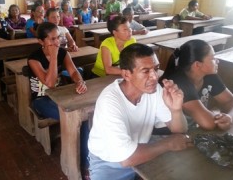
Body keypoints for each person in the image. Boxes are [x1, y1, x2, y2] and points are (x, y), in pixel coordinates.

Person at [88, 43, 190, 180]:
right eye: (146, 71)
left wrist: (176, 110)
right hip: (110, 163)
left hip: (142, 150)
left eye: (156, 68)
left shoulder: (153, 90)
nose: (155, 77)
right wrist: (168, 144)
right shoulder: (110, 101)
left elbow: (179, 130)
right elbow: (126, 159)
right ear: (126, 74)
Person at [27, 22, 90, 176]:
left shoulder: (63, 52)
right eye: (52, 39)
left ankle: (86, 160)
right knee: (75, 118)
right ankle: (79, 163)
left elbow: (74, 71)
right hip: (42, 100)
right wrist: (54, 57)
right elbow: (49, 83)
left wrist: (79, 81)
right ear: (41, 41)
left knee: (84, 117)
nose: (57, 42)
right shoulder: (34, 59)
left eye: (59, 38)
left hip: (61, 96)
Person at [160, 39, 233, 138]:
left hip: (190, 131)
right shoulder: (179, 83)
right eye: (213, 58)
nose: (217, 61)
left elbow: (232, 101)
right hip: (167, 136)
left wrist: (230, 117)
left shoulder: (208, 75)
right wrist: (218, 118)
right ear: (198, 65)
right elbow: (209, 123)